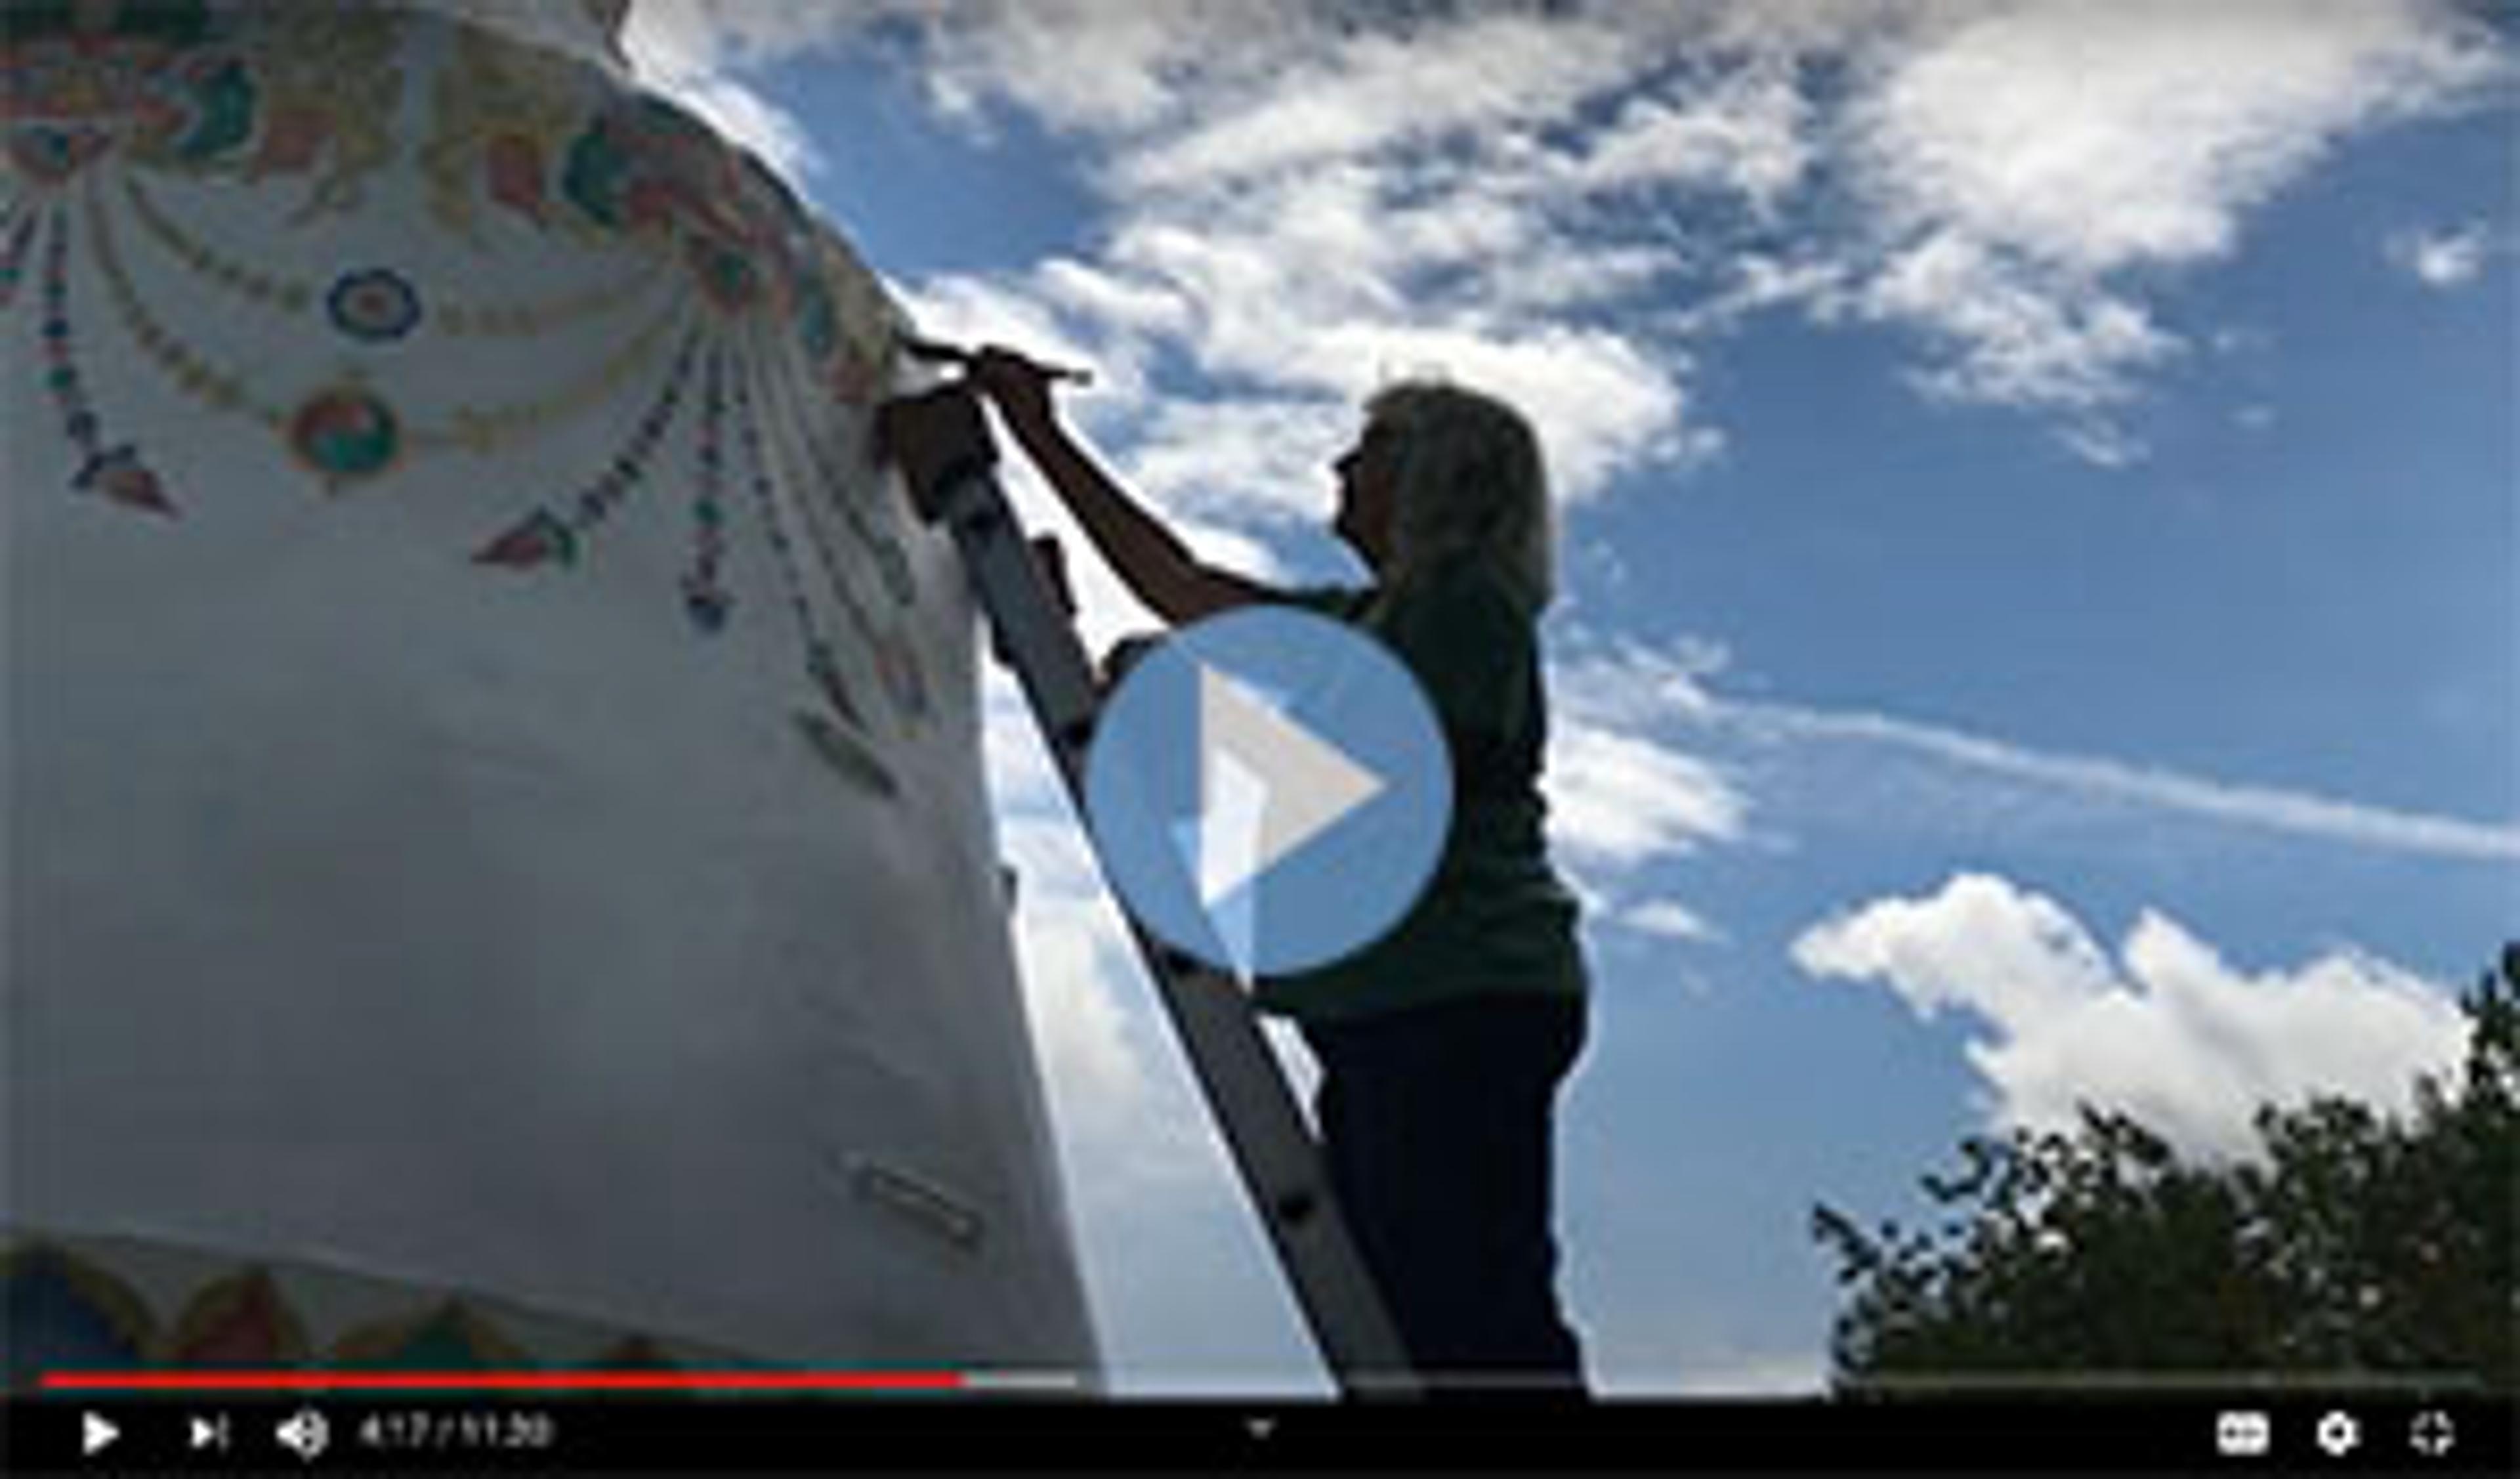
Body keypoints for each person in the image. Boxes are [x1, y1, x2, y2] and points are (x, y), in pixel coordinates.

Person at [891, 349, 1591, 1398]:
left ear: (1438, 478)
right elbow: (1176, 585)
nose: (1342, 465)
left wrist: (1142, 701)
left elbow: (1378, 809)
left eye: (1374, 450)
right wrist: (1040, 436)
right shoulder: (1368, 624)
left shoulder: (1464, 611)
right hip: (1404, 1006)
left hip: (1458, 998)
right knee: (1412, 1317)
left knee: (1470, 1318)